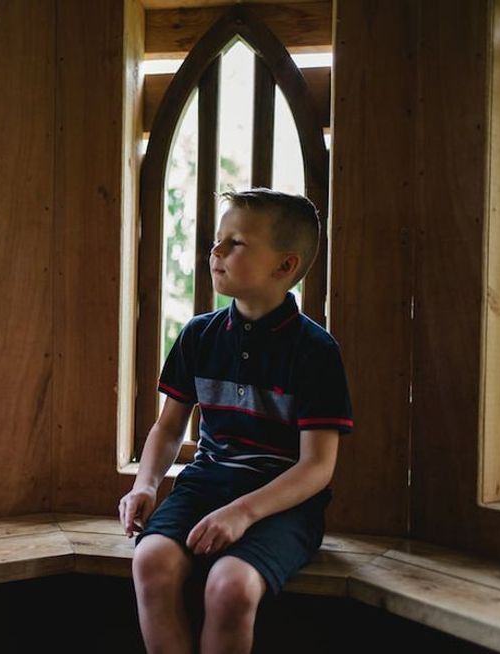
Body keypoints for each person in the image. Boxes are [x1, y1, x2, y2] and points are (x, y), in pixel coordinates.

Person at [119, 188, 353, 654]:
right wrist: (145, 485)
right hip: (205, 486)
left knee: (229, 588)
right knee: (151, 563)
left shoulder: (316, 351)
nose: (216, 252)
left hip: (282, 506)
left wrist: (243, 512)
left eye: (236, 243)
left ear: (285, 267)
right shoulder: (199, 335)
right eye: (216, 240)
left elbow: (317, 467)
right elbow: (168, 428)